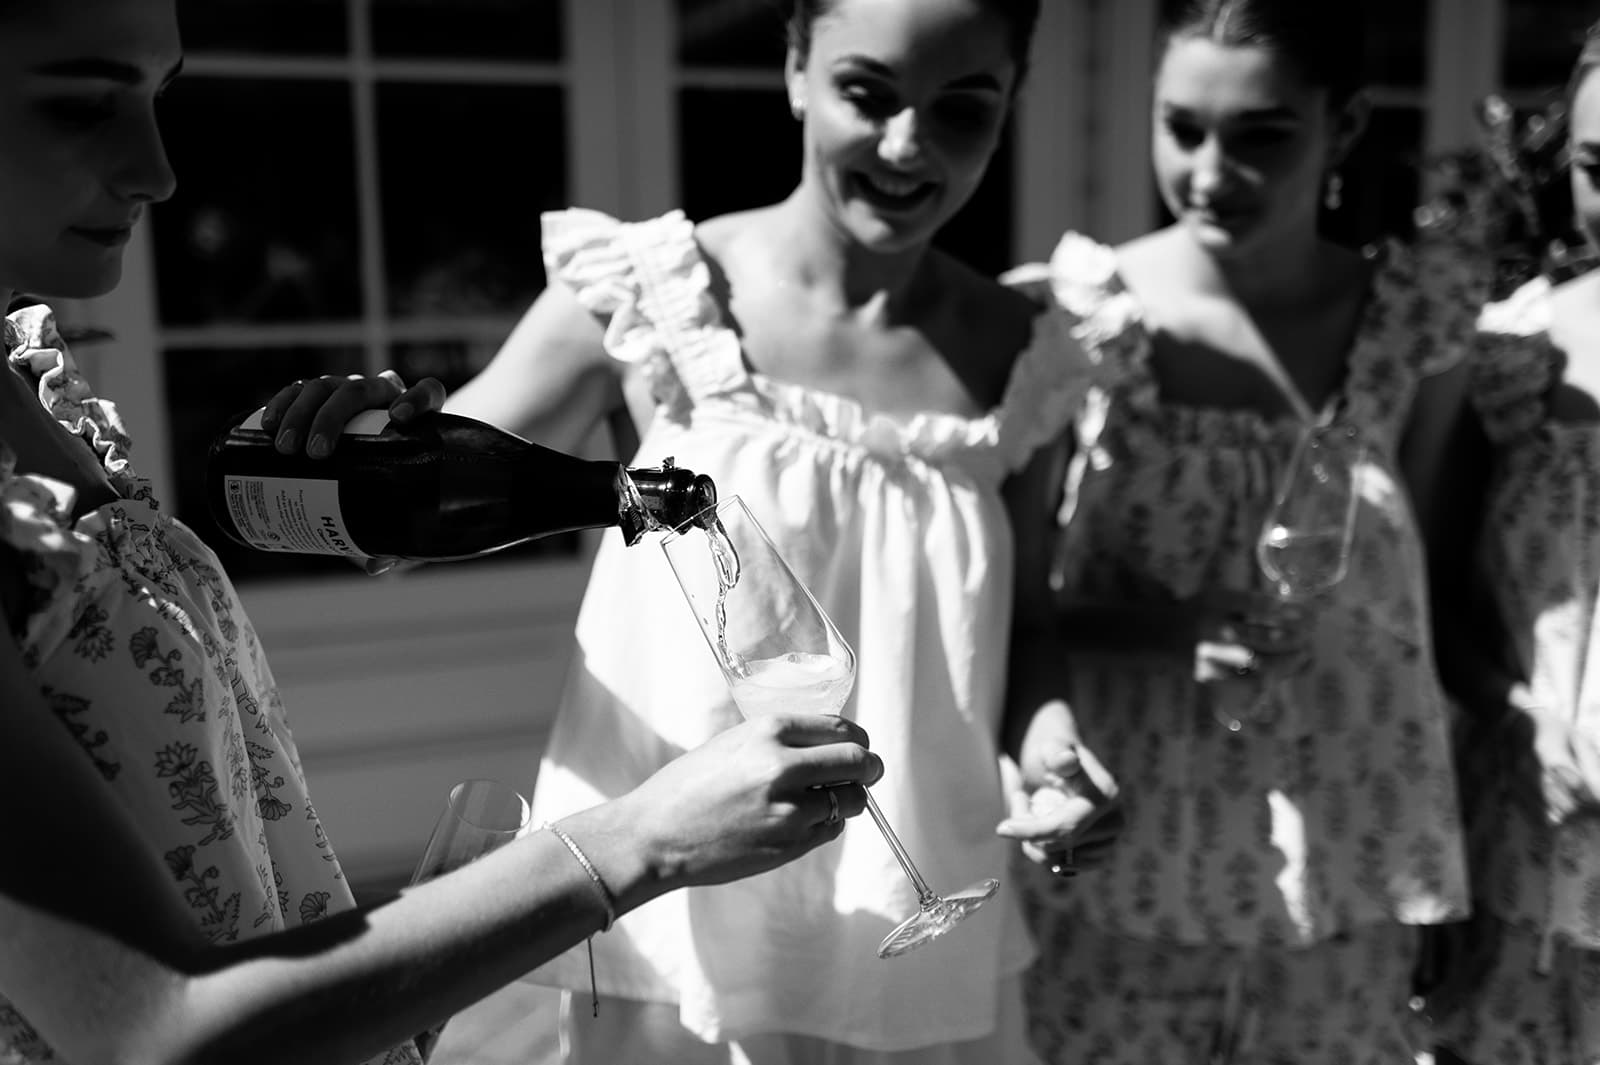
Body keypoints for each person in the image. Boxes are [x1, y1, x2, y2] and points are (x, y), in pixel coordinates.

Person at [0, 2, 885, 1063]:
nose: (158, 169)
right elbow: (155, 1033)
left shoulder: (36, 395)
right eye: (83, 104)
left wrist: (348, 486)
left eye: (159, 95)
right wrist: (637, 838)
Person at [272, 0, 1115, 1060]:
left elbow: (1025, 620)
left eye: (962, 109)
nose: (909, 144)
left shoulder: (1025, 354)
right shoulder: (650, 293)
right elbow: (410, 519)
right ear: (797, 68)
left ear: (1009, 107)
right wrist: (356, 444)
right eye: (867, 91)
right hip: (663, 919)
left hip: (913, 919)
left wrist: (1050, 757)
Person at [1004, 1, 1478, 1060]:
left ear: (1343, 124)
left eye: (1260, 134)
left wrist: (1451, 867)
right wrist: (1160, 628)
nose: (1211, 170)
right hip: (1128, 854)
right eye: (1182, 128)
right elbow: (1004, 609)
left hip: (1347, 867)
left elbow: (1432, 604)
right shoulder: (1075, 319)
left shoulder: (1415, 323)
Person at [1420, 25, 1600, 1065]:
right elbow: (1429, 585)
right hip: (1527, 842)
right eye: (1596, 168)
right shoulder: (1510, 351)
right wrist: (1513, 708)